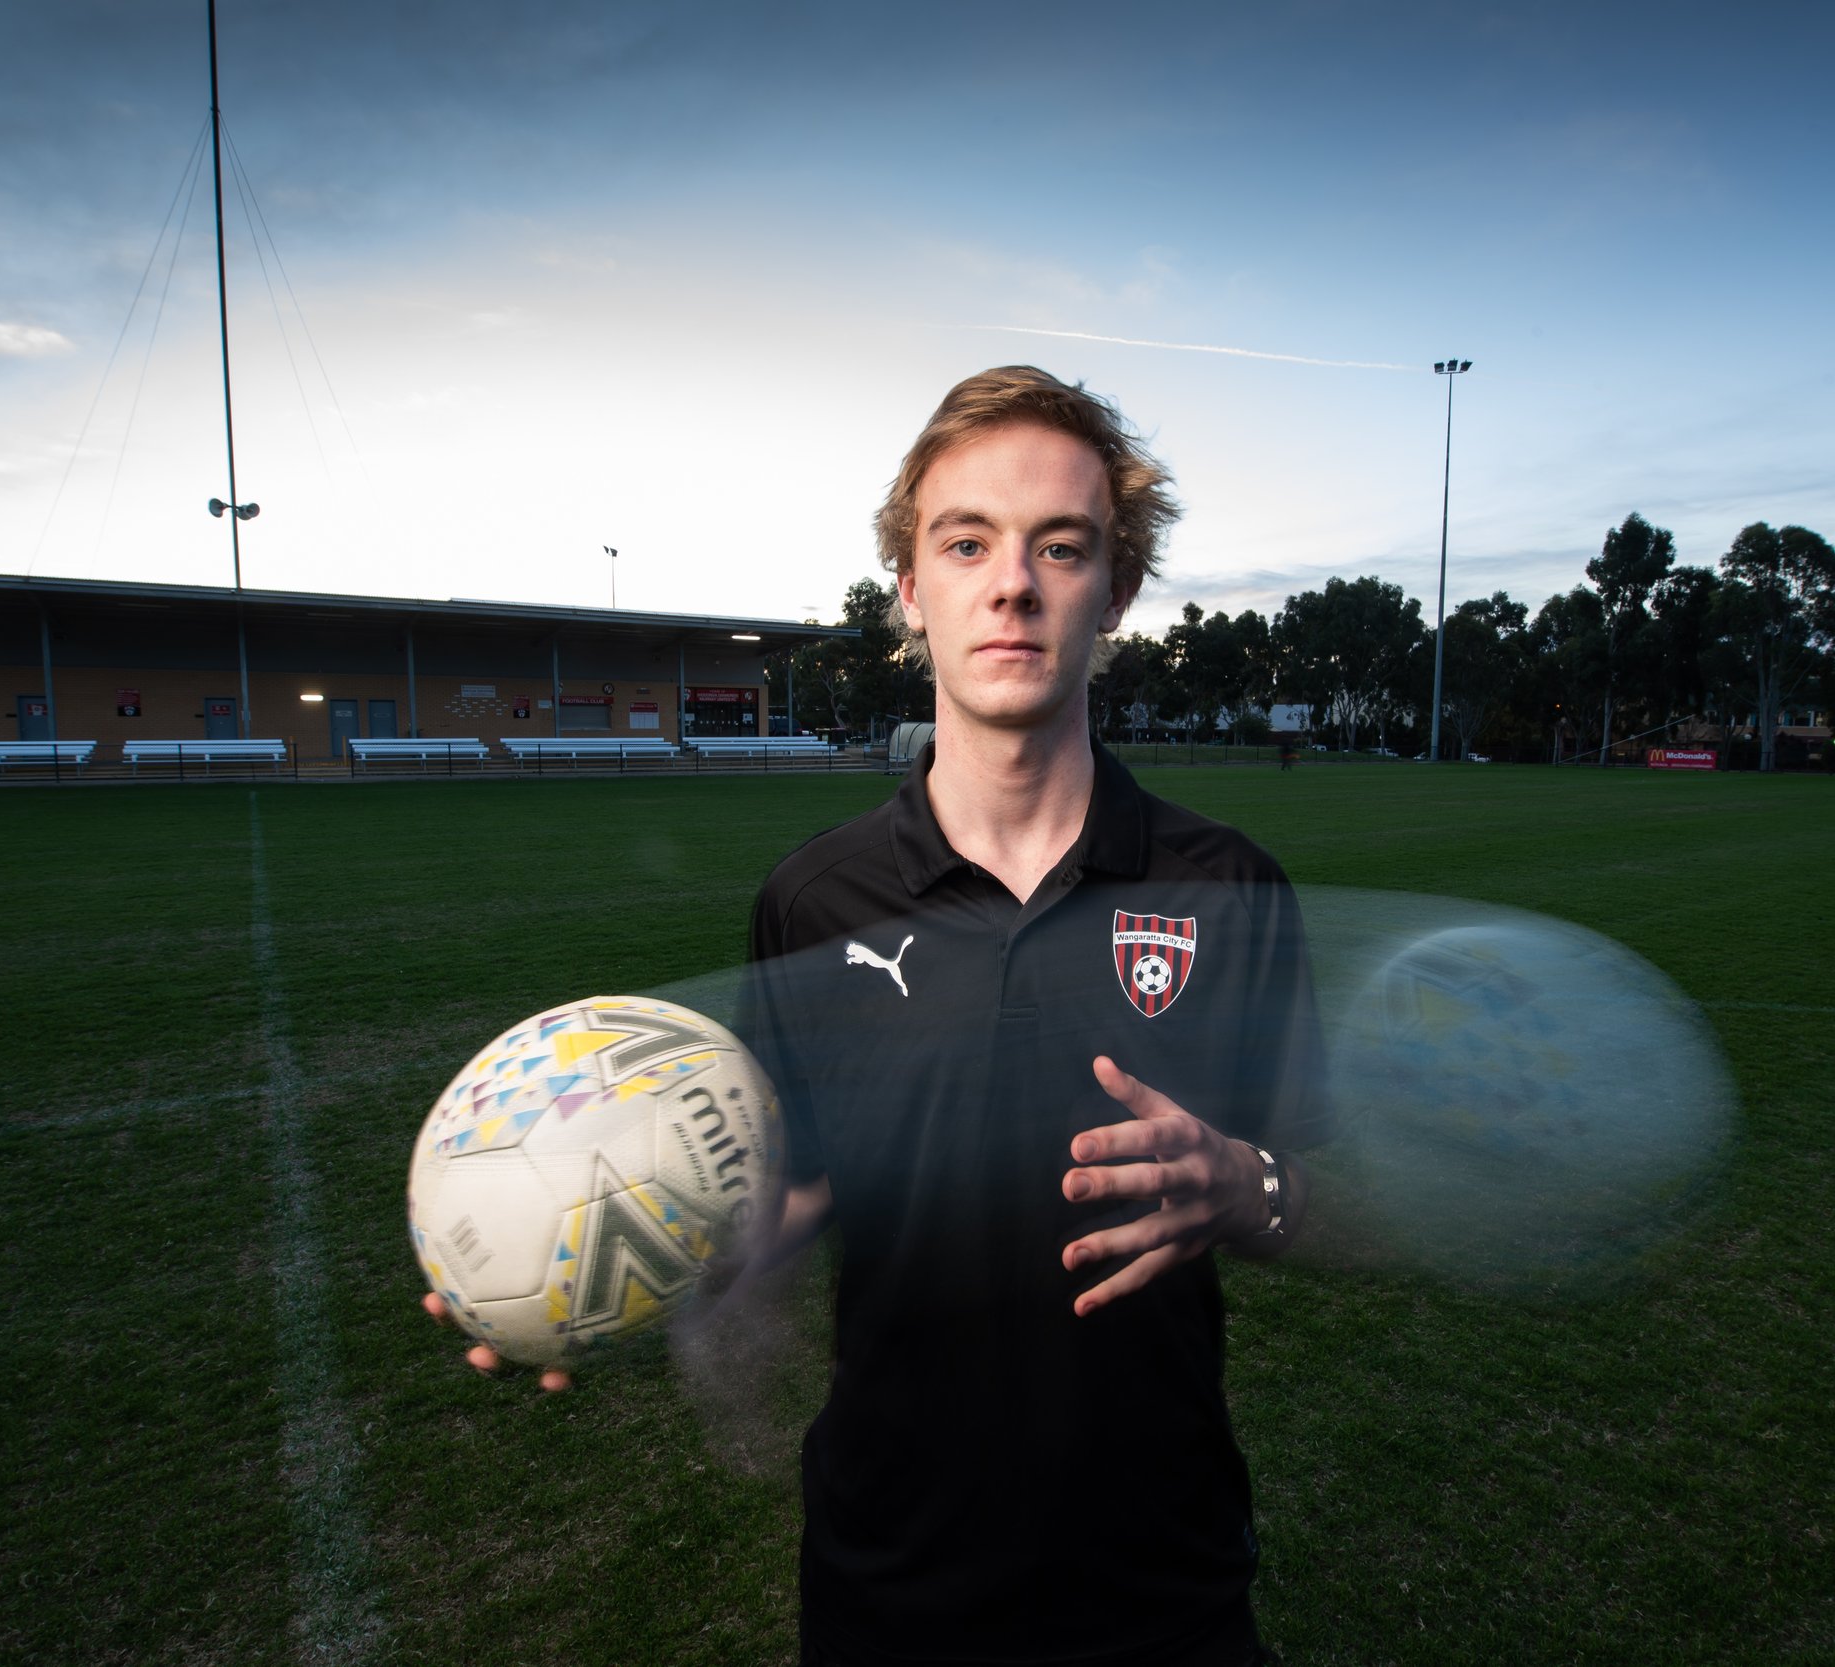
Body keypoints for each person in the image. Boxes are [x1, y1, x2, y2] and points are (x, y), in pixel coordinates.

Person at [428, 366, 1330, 1665]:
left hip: (1161, 1574)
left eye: (1061, 547)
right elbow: (793, 1186)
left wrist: (1252, 1189)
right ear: (912, 590)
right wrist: (603, 1260)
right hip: (890, 1577)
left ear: (1116, 592)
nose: (1011, 584)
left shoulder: (1228, 886)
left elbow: (1328, 1185)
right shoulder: (814, 897)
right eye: (965, 543)